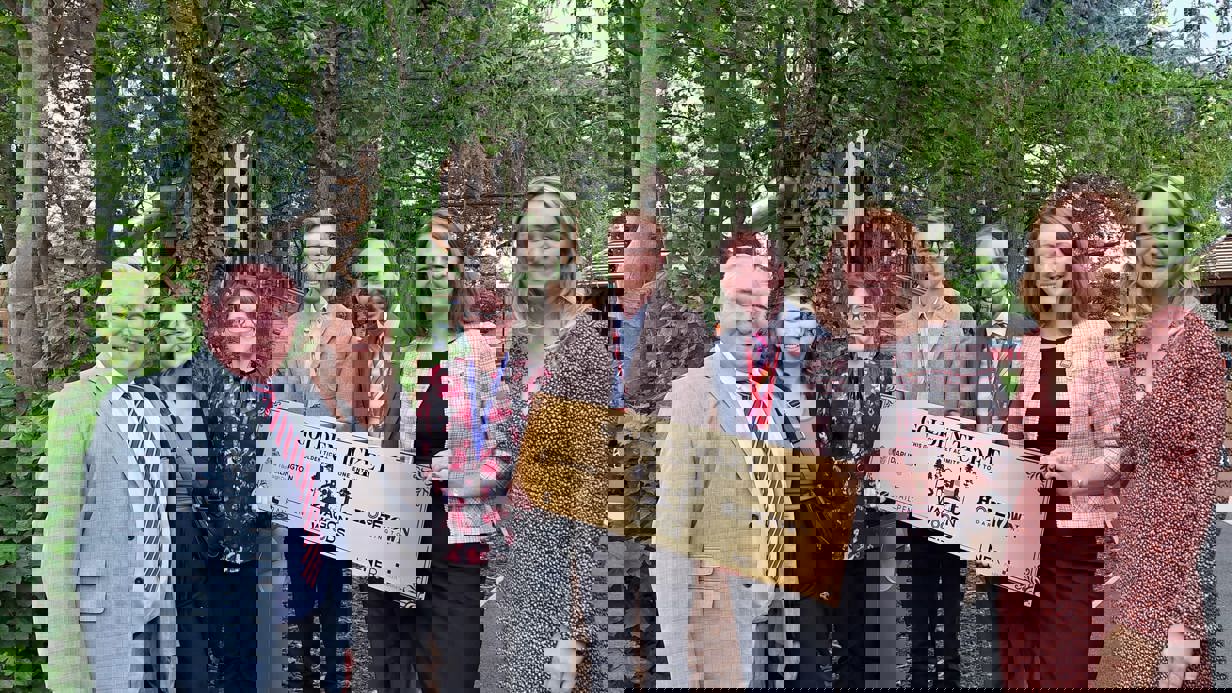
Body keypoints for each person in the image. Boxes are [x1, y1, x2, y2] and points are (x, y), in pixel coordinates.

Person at [998, 177, 1132, 689]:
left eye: (1067, 247)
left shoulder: (1114, 340)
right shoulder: (1028, 345)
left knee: (1067, 669)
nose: (1055, 260)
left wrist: (1097, 458)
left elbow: (1147, 447)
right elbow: (1014, 438)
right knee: (1021, 668)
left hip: (1085, 544)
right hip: (1022, 545)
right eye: (1045, 248)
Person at [1094, 175, 1224, 688]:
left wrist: (1171, 561)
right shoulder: (1120, 333)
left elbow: (1200, 465)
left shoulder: (1195, 343)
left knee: (1135, 669)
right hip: (1111, 527)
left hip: (1162, 534)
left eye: (1161, 235)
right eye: (1138, 235)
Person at [489, 176, 617, 693]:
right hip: (518, 545)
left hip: (565, 555)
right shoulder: (521, 338)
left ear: (568, 246)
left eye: (547, 236)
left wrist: (585, 591)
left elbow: (590, 467)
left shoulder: (584, 339)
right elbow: (508, 439)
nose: (536, 249)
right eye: (528, 236)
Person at [150, 260, 302, 692]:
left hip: (254, 559)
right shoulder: (179, 388)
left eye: (262, 314)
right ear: (214, 315)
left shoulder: (269, 386)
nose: (253, 325)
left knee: (247, 668)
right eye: (241, 312)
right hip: (198, 569)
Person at [652, 229, 792, 688]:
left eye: (764, 276)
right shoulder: (693, 392)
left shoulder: (774, 393)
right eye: (741, 270)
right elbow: (671, 532)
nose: (753, 297)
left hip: (762, 603)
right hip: (711, 610)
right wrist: (678, 661)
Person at [37, 253, 174, 692]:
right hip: (104, 631)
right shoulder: (75, 405)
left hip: (156, 624)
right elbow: (55, 551)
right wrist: (68, 675)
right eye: (122, 314)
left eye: (143, 318)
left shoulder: (150, 405)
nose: (133, 328)